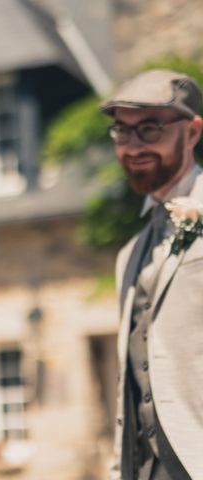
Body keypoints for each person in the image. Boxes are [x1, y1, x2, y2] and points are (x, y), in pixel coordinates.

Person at [101, 69, 203, 479]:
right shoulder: (129, 255)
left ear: (193, 132)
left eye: (150, 128)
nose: (133, 146)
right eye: (122, 132)